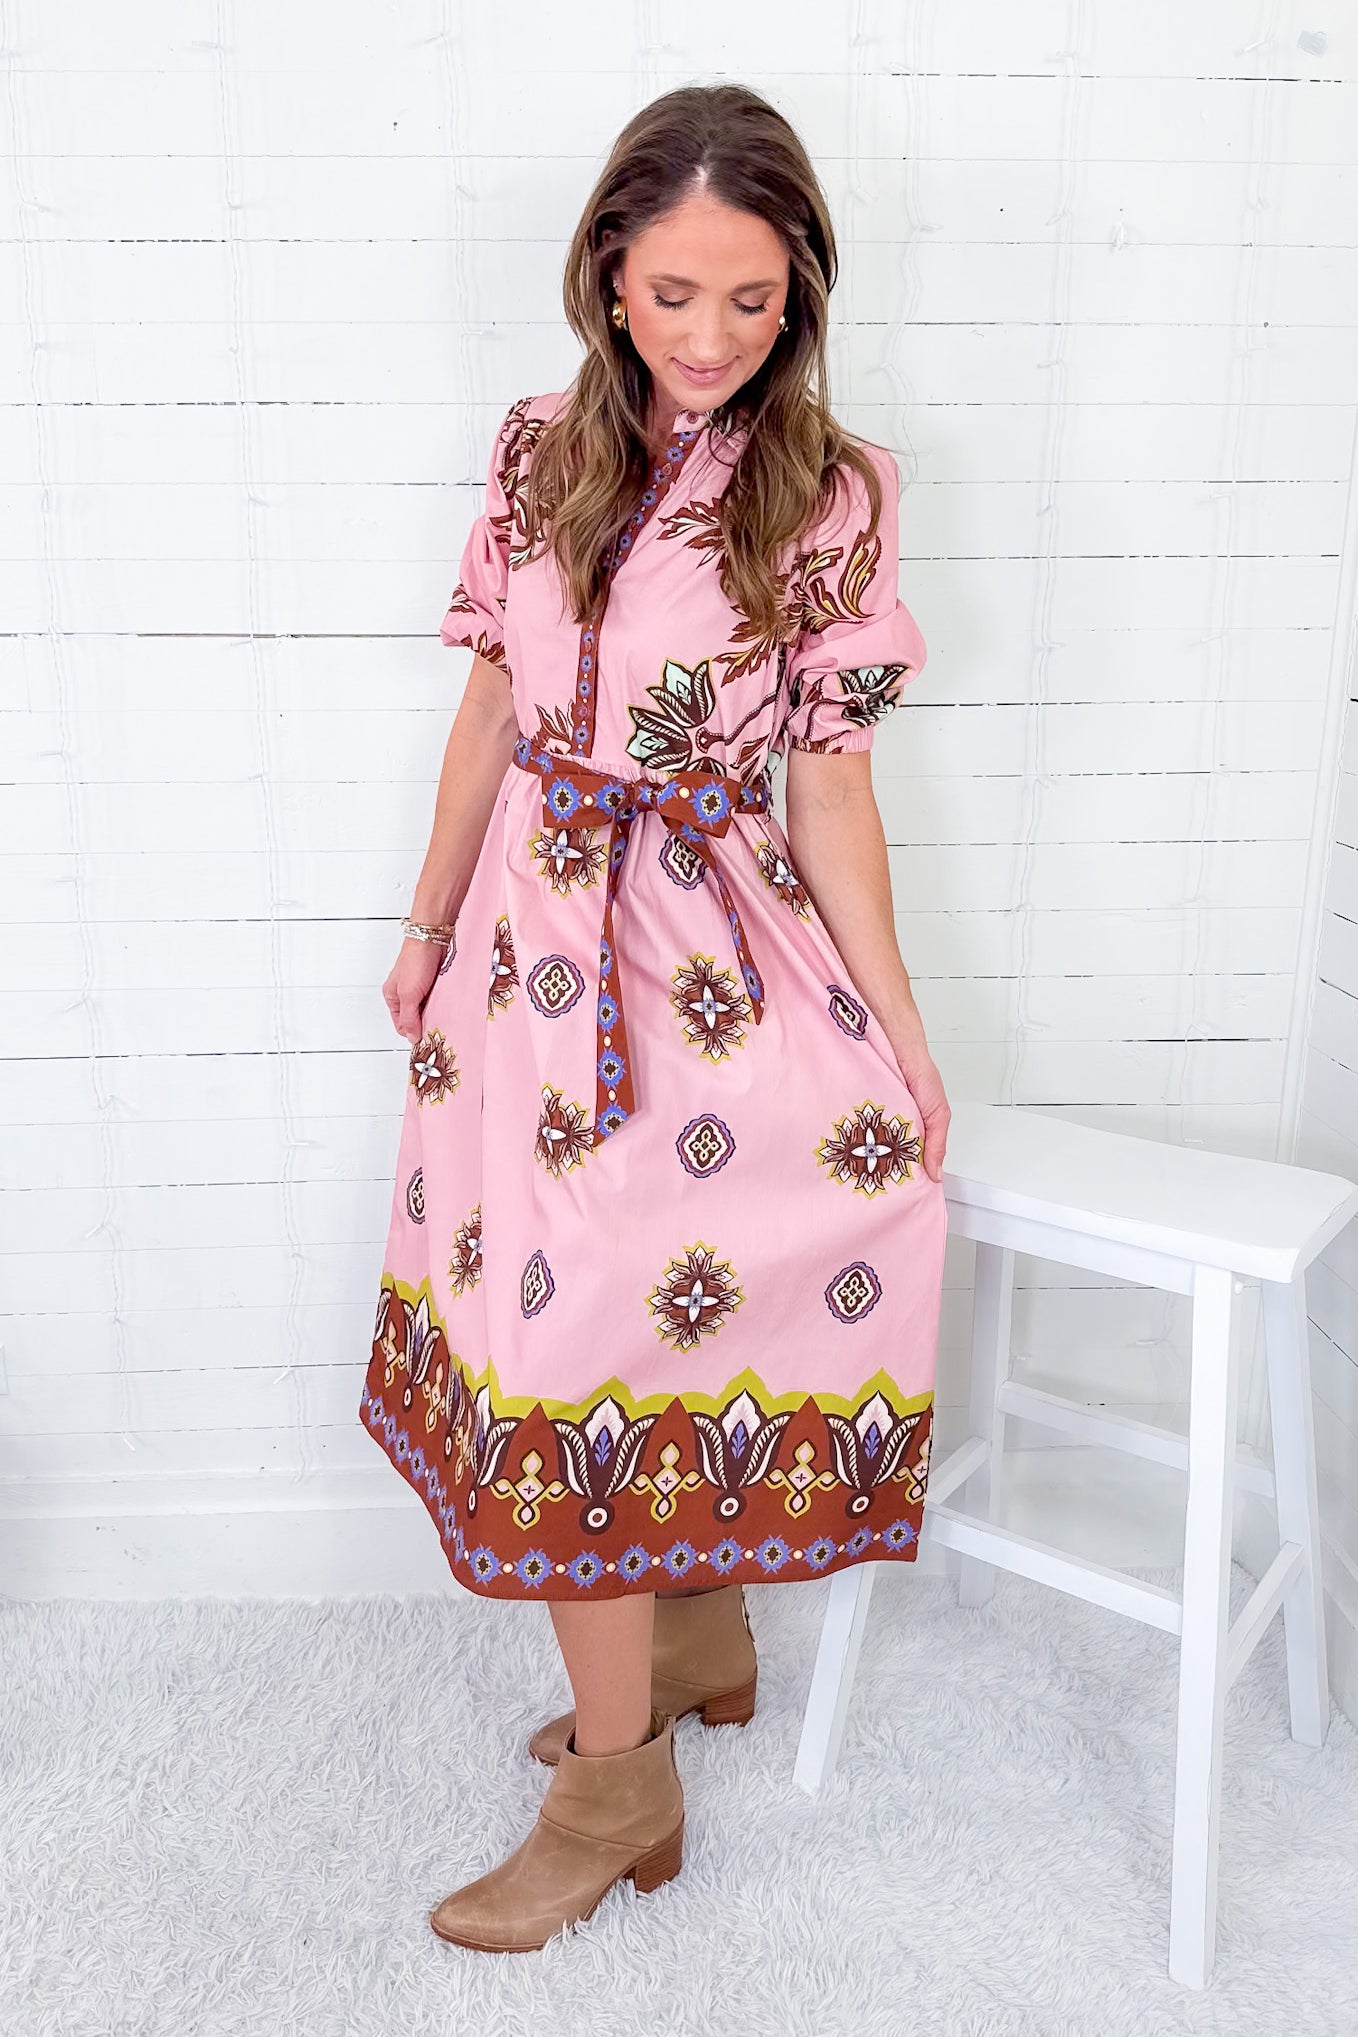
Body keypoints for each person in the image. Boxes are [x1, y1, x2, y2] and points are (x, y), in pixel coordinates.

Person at [359, 80, 951, 1953]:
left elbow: (831, 787)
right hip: (532, 950)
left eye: (754, 301)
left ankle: (616, 1785)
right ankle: (686, 1640)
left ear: (802, 297)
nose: (710, 339)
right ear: (608, 274)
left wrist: (901, 1031)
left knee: (609, 1322)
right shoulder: (537, 447)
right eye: (675, 292)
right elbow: (482, 711)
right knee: (540, 1330)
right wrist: (431, 912)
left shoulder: (827, 489)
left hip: (711, 951)